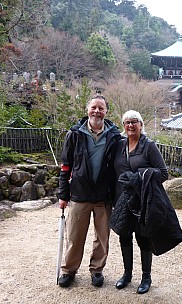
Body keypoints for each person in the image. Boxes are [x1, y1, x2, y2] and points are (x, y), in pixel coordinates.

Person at [110, 110, 182, 294]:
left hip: (143, 201)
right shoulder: (119, 145)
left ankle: (146, 277)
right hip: (122, 199)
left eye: (134, 122)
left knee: (143, 238)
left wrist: (140, 176)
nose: (130, 126)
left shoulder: (149, 146)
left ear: (141, 124)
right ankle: (127, 274)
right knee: (124, 236)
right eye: (127, 122)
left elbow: (163, 173)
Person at [57, 94, 122, 288]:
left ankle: (97, 270)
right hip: (79, 194)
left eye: (101, 108)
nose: (97, 111)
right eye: (94, 107)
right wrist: (63, 194)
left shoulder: (114, 136)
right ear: (87, 110)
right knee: (75, 236)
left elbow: (119, 166)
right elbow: (65, 166)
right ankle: (69, 270)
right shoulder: (75, 134)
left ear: (106, 112)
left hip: (104, 196)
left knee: (102, 238)